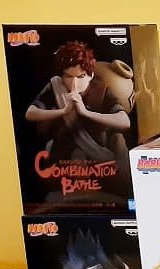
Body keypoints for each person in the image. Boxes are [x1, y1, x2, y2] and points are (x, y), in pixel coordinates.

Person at [24, 41, 130, 184]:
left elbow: (124, 121)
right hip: (64, 149)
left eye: (80, 77)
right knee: (75, 156)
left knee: (118, 142)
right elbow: (30, 113)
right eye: (68, 77)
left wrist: (85, 112)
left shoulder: (101, 89)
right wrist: (63, 111)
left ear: (90, 75)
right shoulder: (55, 86)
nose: (74, 84)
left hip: (99, 147)